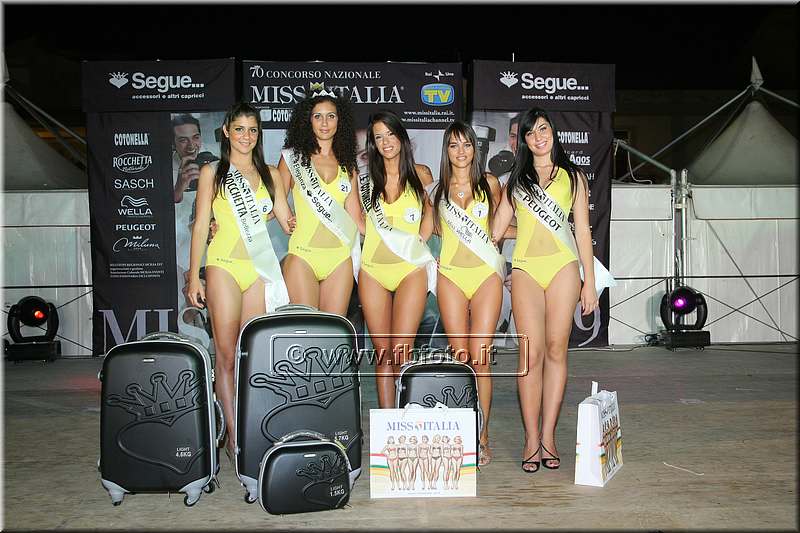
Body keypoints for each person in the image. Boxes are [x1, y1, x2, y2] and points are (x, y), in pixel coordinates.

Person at [492, 107, 599, 473]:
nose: (538, 137)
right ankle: (530, 438)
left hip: (563, 268)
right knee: (530, 354)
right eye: (530, 132)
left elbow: (582, 230)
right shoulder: (516, 180)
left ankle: (549, 437)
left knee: (556, 349)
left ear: (553, 132)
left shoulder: (573, 176)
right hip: (525, 270)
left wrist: (589, 283)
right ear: (523, 140)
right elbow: (496, 231)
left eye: (543, 129)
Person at [186, 102, 293, 462]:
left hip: (258, 270)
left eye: (252, 130)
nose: (246, 136)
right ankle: (233, 436)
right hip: (224, 267)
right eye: (239, 129)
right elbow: (200, 226)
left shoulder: (270, 174)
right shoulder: (213, 172)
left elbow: (286, 221)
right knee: (227, 354)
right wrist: (194, 276)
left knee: (253, 356)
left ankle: (253, 427)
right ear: (226, 132)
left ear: (258, 134)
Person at [431, 121, 505, 467]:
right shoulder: (438, 191)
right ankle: (462, 434)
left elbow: (501, 227)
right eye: (453, 145)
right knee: (461, 359)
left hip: (485, 275)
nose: (460, 152)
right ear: (446, 151)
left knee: (481, 358)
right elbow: (424, 231)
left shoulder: (490, 183)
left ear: (475, 149)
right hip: (451, 277)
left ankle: (482, 437)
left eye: (466, 144)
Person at [358, 110, 436, 408]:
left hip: (410, 271)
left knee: (402, 351)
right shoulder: (365, 181)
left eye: (390, 134)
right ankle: (388, 422)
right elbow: (356, 220)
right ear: (373, 144)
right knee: (383, 354)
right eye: (379, 137)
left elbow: (431, 214)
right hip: (373, 271)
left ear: (401, 137)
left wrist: (421, 241)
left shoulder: (422, 174)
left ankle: (404, 421)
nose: (386, 142)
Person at [277, 93, 363, 314]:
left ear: (340, 120)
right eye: (318, 116)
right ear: (308, 120)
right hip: (303, 256)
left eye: (331, 116)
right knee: (308, 329)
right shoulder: (291, 159)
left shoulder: (348, 165)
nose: (324, 123)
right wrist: (284, 217)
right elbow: (272, 203)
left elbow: (357, 219)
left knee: (332, 331)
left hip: (340, 260)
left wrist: (401, 235)